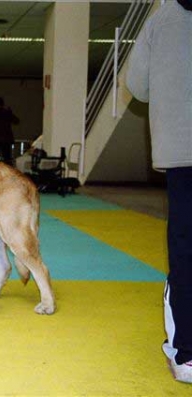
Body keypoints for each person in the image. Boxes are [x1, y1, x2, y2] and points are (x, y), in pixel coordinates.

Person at [126, 0, 192, 384]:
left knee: (185, 248)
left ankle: (186, 353)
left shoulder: (161, 18)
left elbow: (137, 85)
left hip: (182, 152)